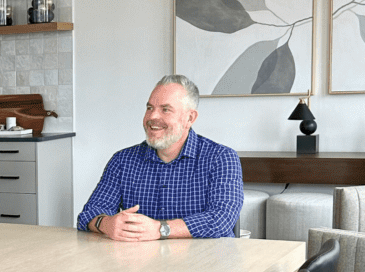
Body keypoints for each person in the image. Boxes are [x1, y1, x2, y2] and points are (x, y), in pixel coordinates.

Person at [77, 74, 243, 241]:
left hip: (206, 262)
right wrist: (107, 224)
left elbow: (222, 219)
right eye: (149, 108)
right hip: (140, 263)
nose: (152, 117)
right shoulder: (122, 161)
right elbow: (89, 214)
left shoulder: (221, 158)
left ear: (189, 118)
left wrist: (160, 229)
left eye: (165, 109)